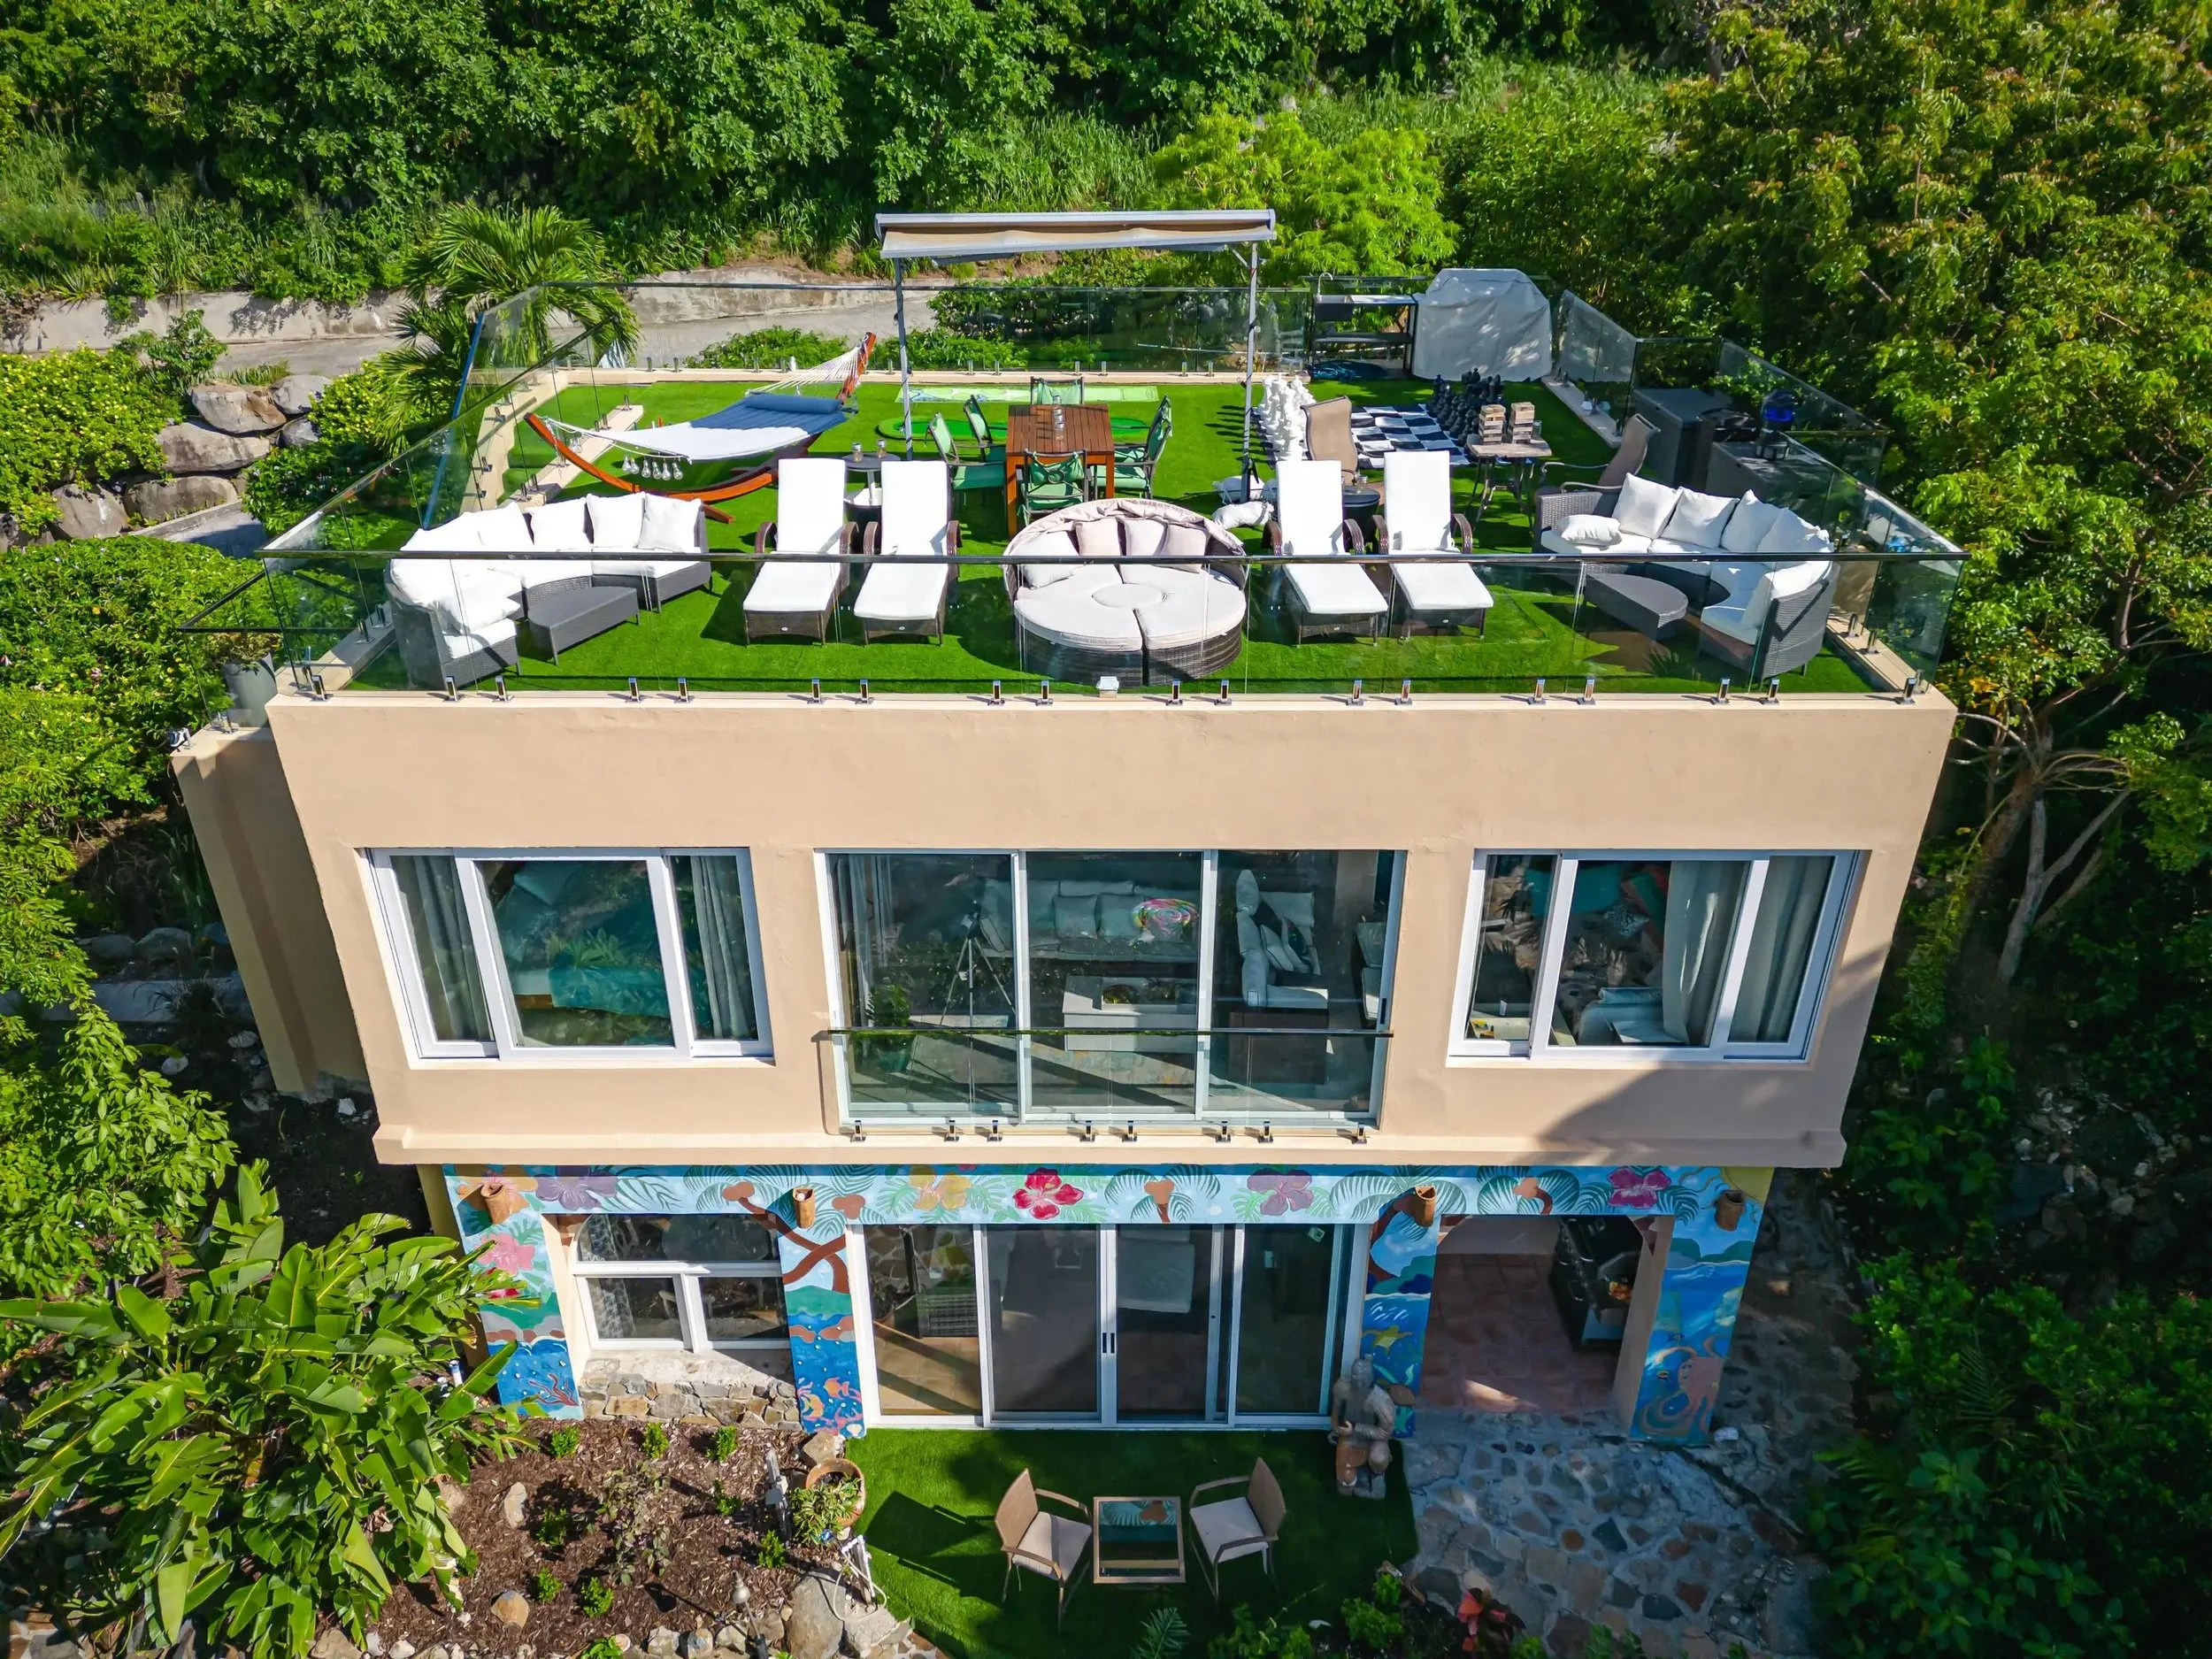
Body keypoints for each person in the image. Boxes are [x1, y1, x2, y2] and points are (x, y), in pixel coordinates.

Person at [1328, 1354, 1396, 1492]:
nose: (1358, 1383)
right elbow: (1335, 1413)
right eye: (1355, 1378)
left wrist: (1355, 1429)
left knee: (1379, 1458)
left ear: (1370, 1378)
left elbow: (1385, 1432)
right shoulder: (1342, 1387)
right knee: (1346, 1481)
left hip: (1375, 1438)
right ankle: (1350, 1473)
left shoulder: (1381, 1401)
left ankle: (1377, 1472)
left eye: (1362, 1380)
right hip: (1349, 1435)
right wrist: (1337, 1429)